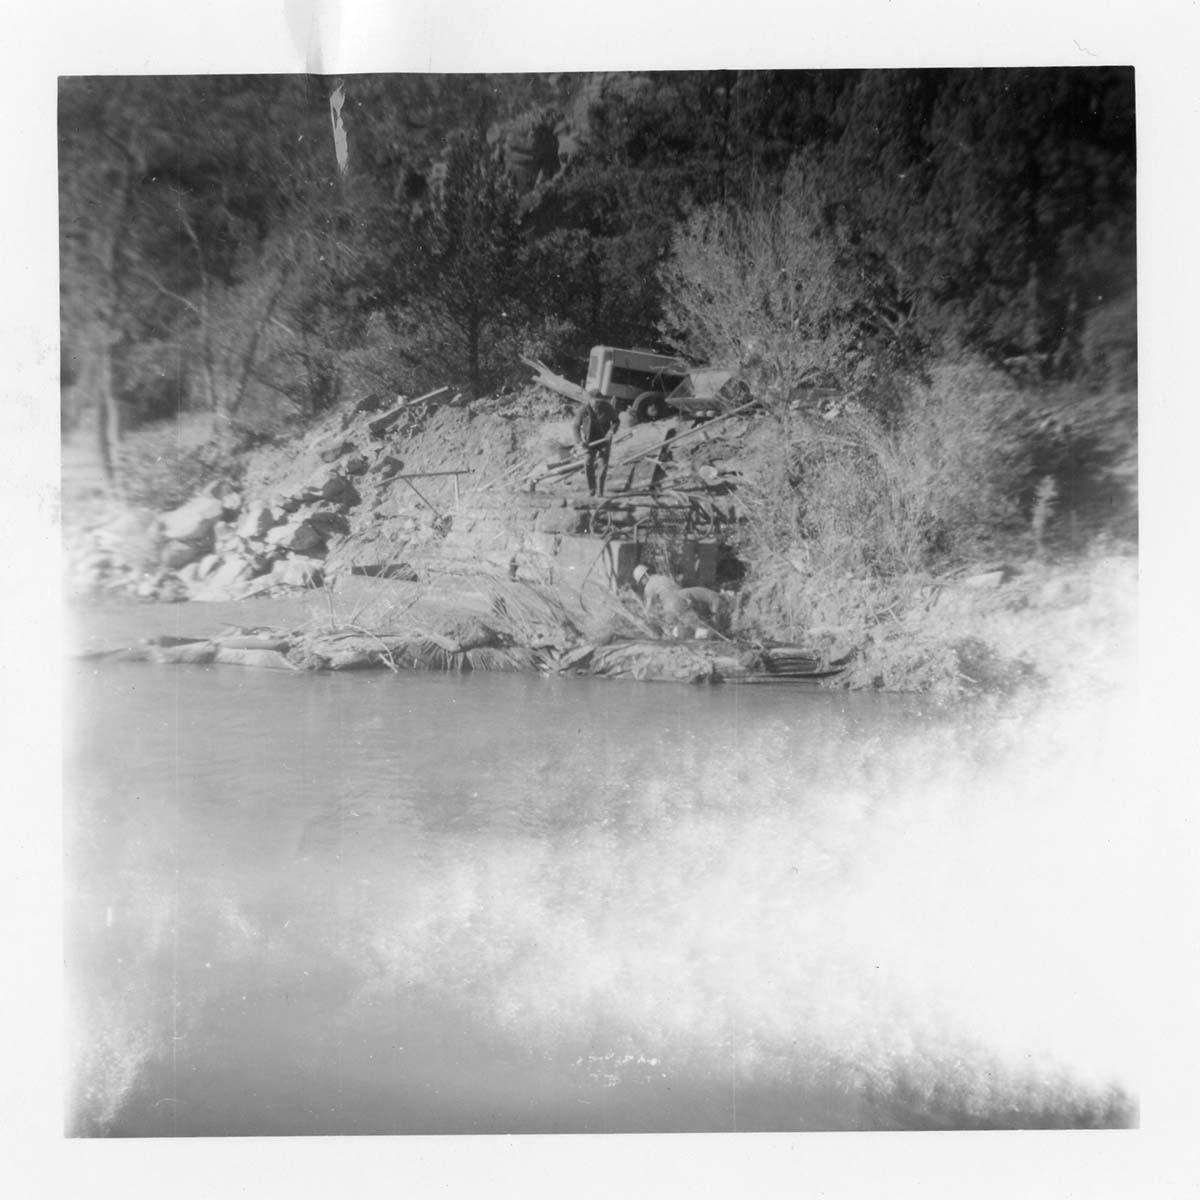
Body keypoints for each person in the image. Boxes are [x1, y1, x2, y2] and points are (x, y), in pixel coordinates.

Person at [573, 390, 619, 497]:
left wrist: (611, 431)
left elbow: (616, 421)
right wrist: (580, 441)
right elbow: (575, 427)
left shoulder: (607, 407)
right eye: (596, 401)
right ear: (590, 400)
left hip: (604, 440)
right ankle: (592, 489)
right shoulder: (583, 410)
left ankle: (600, 491)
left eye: (600, 401)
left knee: (603, 465)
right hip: (589, 441)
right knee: (588, 463)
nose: (598, 403)